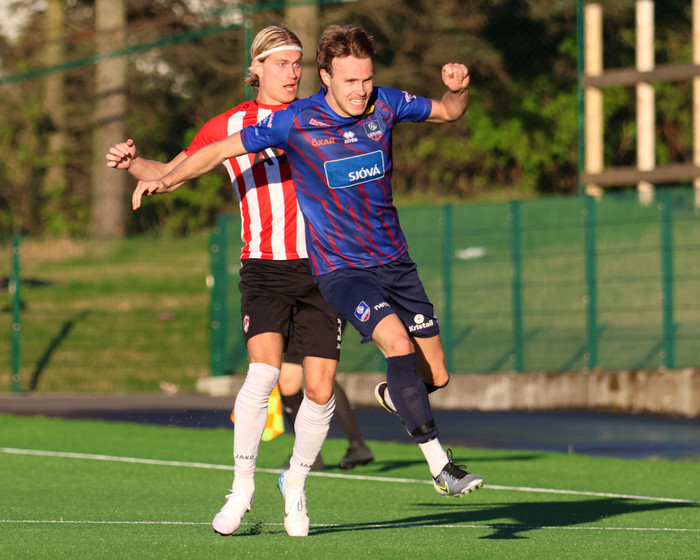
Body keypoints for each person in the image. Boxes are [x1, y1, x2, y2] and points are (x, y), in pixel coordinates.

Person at [132, 23, 483, 507]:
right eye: (350, 81)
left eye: (366, 79)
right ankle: (438, 467)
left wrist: (457, 90)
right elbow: (214, 152)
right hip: (331, 269)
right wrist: (164, 179)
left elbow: (448, 111)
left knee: (433, 376)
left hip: (395, 263)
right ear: (326, 77)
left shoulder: (385, 103)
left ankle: (389, 403)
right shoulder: (293, 121)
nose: (361, 90)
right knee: (368, 350)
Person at [106, 26, 350, 538]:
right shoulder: (229, 124)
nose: (293, 72)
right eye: (281, 63)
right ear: (256, 68)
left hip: (323, 266)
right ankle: (241, 490)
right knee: (263, 373)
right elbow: (172, 170)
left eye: (298, 63)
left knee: (320, 389)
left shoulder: (319, 114)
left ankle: (296, 486)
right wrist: (134, 165)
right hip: (263, 267)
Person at [279, 326, 374, 470]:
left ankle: (357, 445)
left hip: (322, 315)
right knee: (287, 381)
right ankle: (309, 454)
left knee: (321, 378)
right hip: (295, 316)